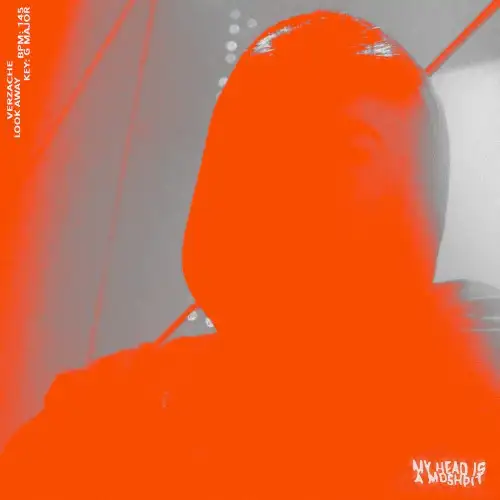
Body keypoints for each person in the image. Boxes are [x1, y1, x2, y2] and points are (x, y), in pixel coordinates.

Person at [1, 10, 500, 499]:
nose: (277, 178)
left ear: (421, 204)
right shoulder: (105, 414)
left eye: (343, 150)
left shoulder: (471, 377)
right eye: (256, 139)